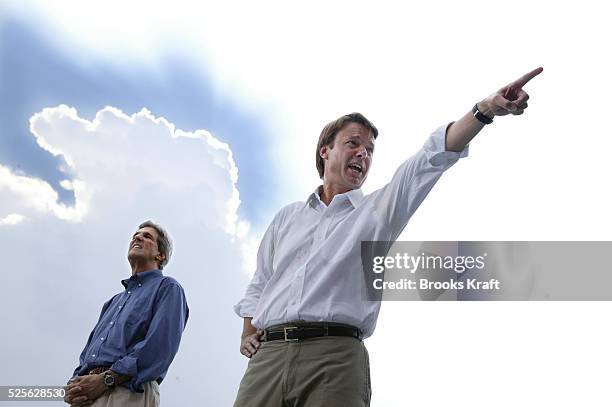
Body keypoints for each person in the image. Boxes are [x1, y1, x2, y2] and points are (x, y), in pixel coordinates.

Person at [233, 68, 543, 406]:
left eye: (369, 149)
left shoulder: (379, 210)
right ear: (325, 151)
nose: (363, 154)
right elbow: (261, 282)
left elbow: (429, 160)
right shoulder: (286, 218)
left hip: (333, 358)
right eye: (353, 143)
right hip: (269, 357)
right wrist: (249, 330)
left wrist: (485, 110)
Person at [64, 220, 189, 407]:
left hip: (127, 390)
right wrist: (74, 386)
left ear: (160, 255)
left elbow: (158, 347)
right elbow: (88, 354)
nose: (137, 237)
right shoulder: (112, 303)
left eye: (147, 236)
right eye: (135, 235)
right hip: (88, 394)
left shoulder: (168, 288)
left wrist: (107, 379)